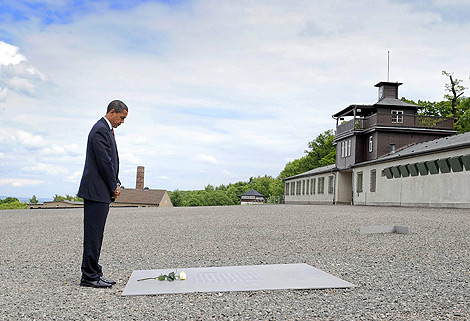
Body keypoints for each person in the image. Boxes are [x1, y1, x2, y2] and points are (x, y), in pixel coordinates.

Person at [77, 100, 128, 288]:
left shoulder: (105, 130)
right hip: (95, 191)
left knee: (96, 234)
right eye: (121, 117)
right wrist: (113, 185)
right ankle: (89, 276)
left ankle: (94, 272)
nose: (122, 122)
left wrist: (116, 182)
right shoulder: (100, 129)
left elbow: (111, 162)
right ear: (112, 112)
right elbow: (104, 162)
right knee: (93, 234)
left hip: (100, 191)